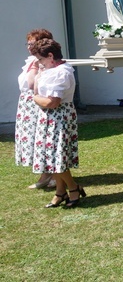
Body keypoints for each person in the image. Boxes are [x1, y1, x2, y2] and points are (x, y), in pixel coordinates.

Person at [30, 39, 85, 208]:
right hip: (50, 117)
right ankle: (60, 192)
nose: (40, 63)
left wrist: (34, 98)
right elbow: (37, 89)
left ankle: (74, 188)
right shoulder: (51, 71)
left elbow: (52, 102)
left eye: (41, 59)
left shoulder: (61, 72)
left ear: (51, 56)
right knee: (51, 156)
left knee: (57, 156)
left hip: (59, 117)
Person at [16, 29, 55, 189]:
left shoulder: (40, 61)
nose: (29, 47)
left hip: (36, 102)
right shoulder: (31, 61)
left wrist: (35, 67)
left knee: (41, 139)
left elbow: (32, 84)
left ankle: (49, 176)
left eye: (32, 43)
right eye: (28, 43)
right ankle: (47, 175)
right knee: (34, 139)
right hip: (27, 103)